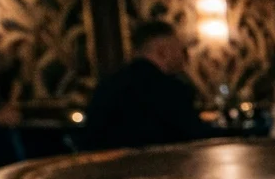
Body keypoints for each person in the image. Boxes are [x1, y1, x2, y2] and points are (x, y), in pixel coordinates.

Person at [84, 21, 213, 150]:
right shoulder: (170, 89)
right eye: (180, 49)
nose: (184, 56)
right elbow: (194, 136)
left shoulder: (107, 85)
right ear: (163, 51)